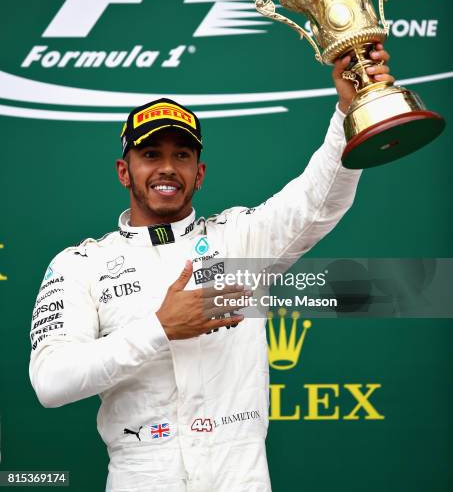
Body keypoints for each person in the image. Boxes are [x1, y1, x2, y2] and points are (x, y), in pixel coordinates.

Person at [29, 47, 394, 492]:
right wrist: (160, 328)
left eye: (182, 155)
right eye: (150, 155)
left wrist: (348, 110)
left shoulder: (238, 239)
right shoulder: (81, 264)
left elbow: (319, 200)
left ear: (199, 173)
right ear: (125, 171)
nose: (167, 168)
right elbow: (51, 381)